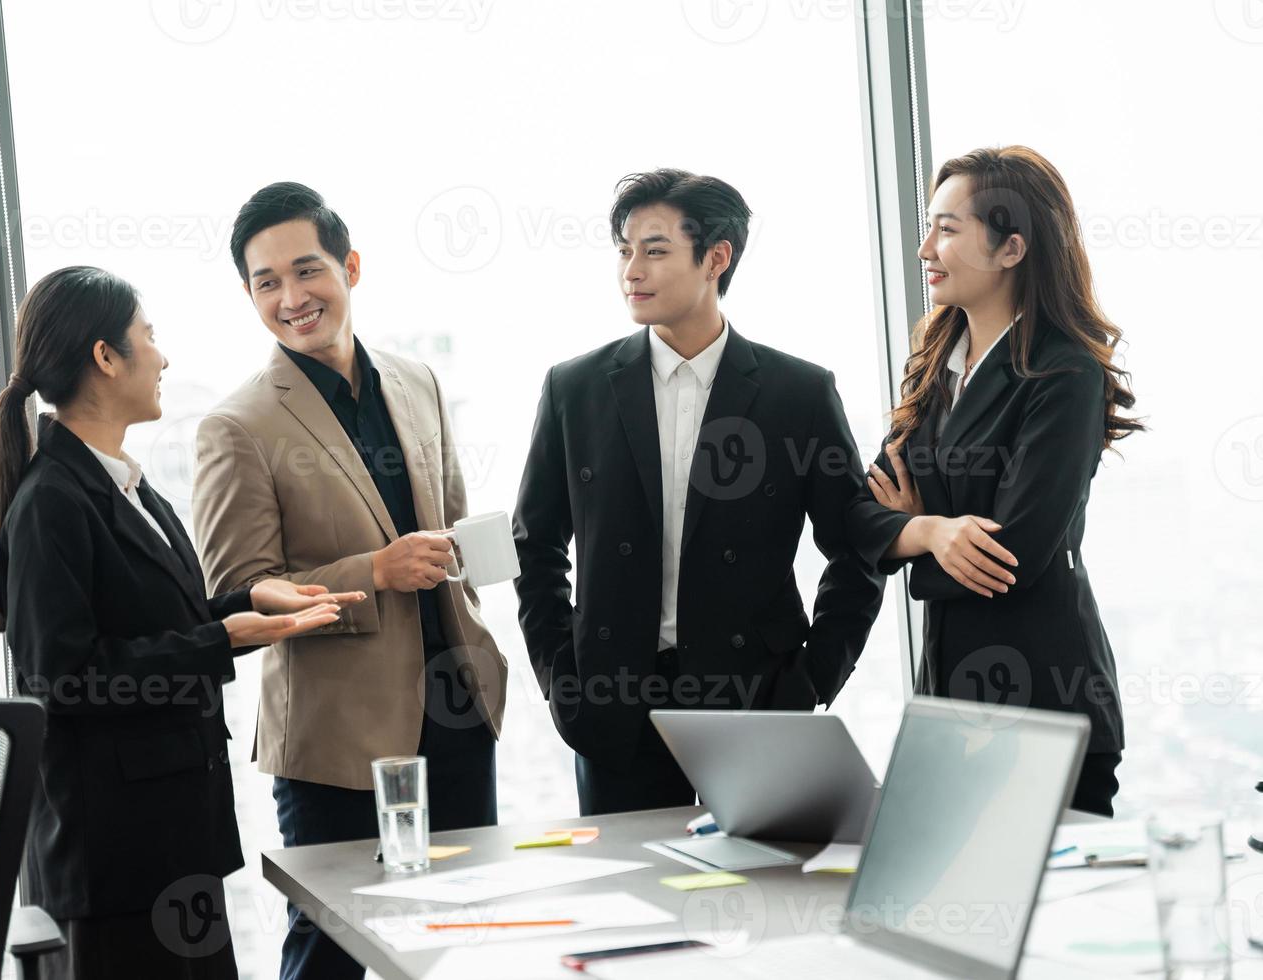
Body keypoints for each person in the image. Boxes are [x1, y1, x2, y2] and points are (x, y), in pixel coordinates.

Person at [0, 265, 362, 979]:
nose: (163, 357)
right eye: (148, 338)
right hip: (118, 861)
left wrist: (249, 605)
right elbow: (63, 679)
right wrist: (221, 638)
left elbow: (157, 625)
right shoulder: (52, 503)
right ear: (105, 357)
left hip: (175, 838)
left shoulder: (125, 485)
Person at [190, 182, 508, 980]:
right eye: (267, 282)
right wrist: (375, 570)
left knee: (463, 941)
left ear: (351, 267)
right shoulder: (238, 426)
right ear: (249, 295)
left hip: (456, 708)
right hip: (336, 739)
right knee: (331, 948)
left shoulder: (418, 382)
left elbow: (452, 524)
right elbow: (237, 591)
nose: (292, 298)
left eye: (307, 271)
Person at [513, 169, 886, 817]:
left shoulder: (797, 393)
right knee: (641, 911)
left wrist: (813, 679)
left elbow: (857, 550)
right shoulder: (574, 389)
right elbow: (535, 545)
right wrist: (561, 681)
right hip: (613, 712)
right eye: (624, 250)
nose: (632, 269)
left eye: (654, 250)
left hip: (756, 703)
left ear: (717, 257)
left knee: (767, 901)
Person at [851, 146, 1142, 816]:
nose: (926, 247)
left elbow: (1015, 552)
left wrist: (912, 545)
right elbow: (861, 515)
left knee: (1049, 918)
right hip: (950, 708)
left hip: (1047, 703)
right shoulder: (935, 363)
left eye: (948, 229)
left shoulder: (1063, 373)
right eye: (930, 226)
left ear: (1011, 248)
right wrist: (932, 530)